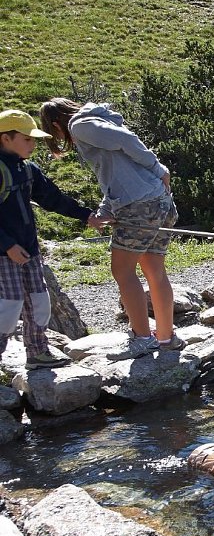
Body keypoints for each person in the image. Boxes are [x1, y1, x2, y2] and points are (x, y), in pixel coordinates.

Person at [40, 98, 182, 357]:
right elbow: (118, 175)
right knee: (154, 269)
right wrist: (104, 211)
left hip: (139, 205)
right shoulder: (98, 120)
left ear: (56, 124)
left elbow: (126, 142)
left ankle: (142, 337)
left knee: (122, 270)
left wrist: (158, 167)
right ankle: (165, 337)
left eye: (54, 133)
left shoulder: (80, 126)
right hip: (159, 200)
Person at [0, 110, 100, 369]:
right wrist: (8, 245)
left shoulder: (28, 168)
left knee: (40, 301)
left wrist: (87, 216)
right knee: (9, 308)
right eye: (27, 139)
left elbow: (53, 199)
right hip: (4, 253)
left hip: (29, 250)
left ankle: (38, 352)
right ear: (5, 139)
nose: (33, 145)